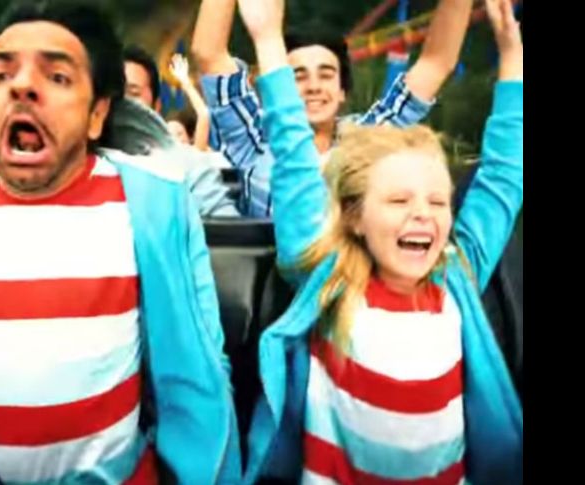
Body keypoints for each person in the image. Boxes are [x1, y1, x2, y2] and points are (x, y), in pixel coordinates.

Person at [0, 1, 241, 483]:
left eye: (57, 76)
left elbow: (195, 370)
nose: (22, 86)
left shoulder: (154, 204)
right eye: (1, 75)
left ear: (97, 114)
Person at [237, 0, 523, 482]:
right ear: (354, 216)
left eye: (438, 201)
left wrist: (512, 58)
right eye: (398, 200)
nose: (423, 214)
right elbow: (293, 154)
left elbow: (503, 178)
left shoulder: (457, 275)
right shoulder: (328, 280)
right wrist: (267, 40)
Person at [192, 0, 474, 217]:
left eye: (325, 75)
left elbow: (436, 64)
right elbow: (208, 54)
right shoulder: (253, 138)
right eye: (298, 76)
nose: (314, 87)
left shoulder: (366, 139)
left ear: (342, 91)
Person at [123, 45, 238, 215]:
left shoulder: (190, 169)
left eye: (133, 94)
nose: (120, 103)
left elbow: (225, 225)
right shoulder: (83, 165)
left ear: (156, 107)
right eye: (112, 93)